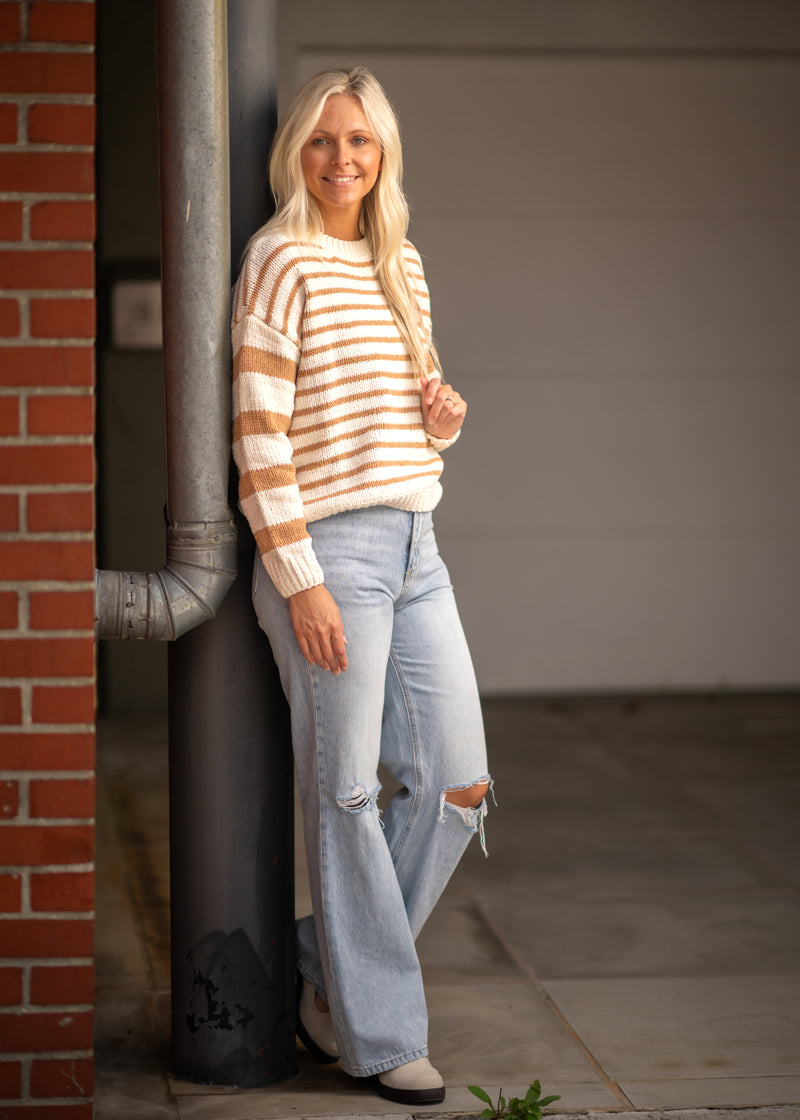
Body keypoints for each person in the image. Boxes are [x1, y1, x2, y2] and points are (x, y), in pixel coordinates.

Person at [231, 67, 491, 1105]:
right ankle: (377, 1036)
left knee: (458, 786)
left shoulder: (399, 261)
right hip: (326, 554)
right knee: (342, 797)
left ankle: (319, 959)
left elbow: (404, 408)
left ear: (383, 156)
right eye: (322, 141)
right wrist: (297, 580)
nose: (342, 160)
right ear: (295, 151)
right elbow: (257, 432)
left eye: (362, 144)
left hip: (416, 546)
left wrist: (441, 412)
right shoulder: (277, 259)